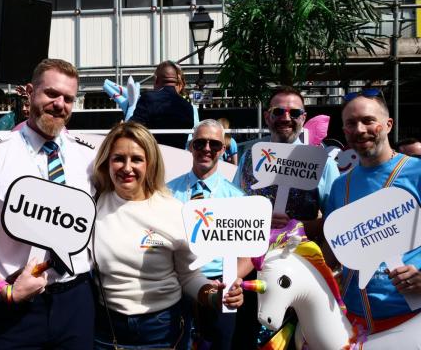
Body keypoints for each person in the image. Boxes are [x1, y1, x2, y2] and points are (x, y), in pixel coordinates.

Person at [0, 59, 97, 349]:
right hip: (13, 304)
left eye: (68, 98)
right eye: (51, 94)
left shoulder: (88, 157)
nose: (59, 104)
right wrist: (5, 291)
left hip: (76, 299)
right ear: (29, 92)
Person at [91, 121, 244, 349]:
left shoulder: (173, 209)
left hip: (162, 331)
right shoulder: (92, 206)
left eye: (136, 159)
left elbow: (189, 276)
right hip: (106, 331)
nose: (127, 167)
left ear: (150, 163)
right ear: (107, 162)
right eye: (118, 158)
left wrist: (215, 296)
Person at [232, 86, 340, 348]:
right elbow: (234, 211)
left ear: (303, 118)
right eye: (279, 111)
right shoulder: (249, 158)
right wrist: (257, 221)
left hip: (298, 274)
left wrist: (298, 226)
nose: (286, 117)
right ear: (268, 116)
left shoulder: (322, 163)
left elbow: (336, 223)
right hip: (251, 273)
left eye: (294, 112)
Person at [325, 91, 420, 335]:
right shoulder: (339, 186)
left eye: (368, 120)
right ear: (344, 131)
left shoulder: (417, 173)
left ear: (388, 125)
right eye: (350, 123)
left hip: (411, 320)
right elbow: (333, 251)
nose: (359, 129)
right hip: (354, 322)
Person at [167, 119, 246, 349]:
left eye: (214, 144)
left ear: (223, 149)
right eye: (200, 143)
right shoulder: (167, 193)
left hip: (221, 291)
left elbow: (251, 252)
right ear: (191, 146)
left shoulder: (237, 198)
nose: (207, 149)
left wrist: (230, 282)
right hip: (177, 288)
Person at [131, 61, 195, 149]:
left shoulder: (148, 98)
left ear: (156, 79)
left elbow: (133, 127)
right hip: (178, 156)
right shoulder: (188, 107)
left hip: (154, 156)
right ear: (176, 81)